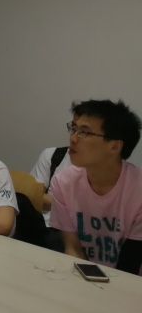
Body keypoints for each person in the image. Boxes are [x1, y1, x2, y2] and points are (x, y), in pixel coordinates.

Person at [50, 99, 142, 274]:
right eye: (73, 128)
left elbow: (131, 263)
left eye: (84, 132)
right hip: (85, 276)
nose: (73, 138)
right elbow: (73, 248)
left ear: (114, 146)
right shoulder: (63, 183)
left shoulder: (138, 189)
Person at [30, 145, 71, 251]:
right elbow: (32, 197)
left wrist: (50, 200)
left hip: (68, 232)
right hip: (42, 225)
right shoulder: (54, 155)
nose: (74, 138)